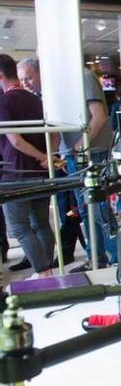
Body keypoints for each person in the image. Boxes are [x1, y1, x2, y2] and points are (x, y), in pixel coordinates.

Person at [18, 58, 116, 269]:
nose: (26, 83)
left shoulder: (82, 76)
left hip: (92, 153)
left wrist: (79, 147)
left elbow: (99, 117)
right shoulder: (57, 86)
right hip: (74, 154)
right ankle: (97, 259)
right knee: (85, 209)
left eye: (28, 78)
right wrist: (59, 153)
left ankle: (117, 258)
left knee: (98, 209)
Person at [0, 54, 55, 278]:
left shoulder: (4, 101)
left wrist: (42, 155)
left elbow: (15, 140)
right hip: (40, 171)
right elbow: (55, 133)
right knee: (41, 223)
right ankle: (49, 271)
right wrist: (46, 157)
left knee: (20, 227)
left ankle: (44, 273)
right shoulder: (37, 99)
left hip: (16, 173)